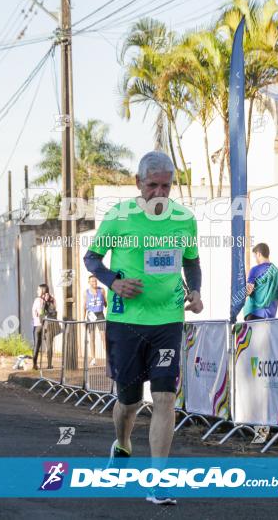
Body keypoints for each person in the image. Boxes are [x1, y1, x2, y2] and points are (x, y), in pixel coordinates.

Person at [83, 151, 202, 506]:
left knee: (165, 398)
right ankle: (122, 444)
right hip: (126, 322)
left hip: (168, 320)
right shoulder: (119, 217)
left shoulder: (185, 219)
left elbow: (192, 262)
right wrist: (114, 281)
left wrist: (195, 290)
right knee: (129, 402)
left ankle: (158, 480)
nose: (160, 193)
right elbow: (92, 258)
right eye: (153, 186)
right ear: (138, 183)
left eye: (166, 186)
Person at [242, 243, 278, 320]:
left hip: (253, 312)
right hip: (270, 314)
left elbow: (249, 290)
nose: (255, 259)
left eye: (255, 256)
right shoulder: (277, 272)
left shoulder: (255, 270)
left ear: (258, 254)